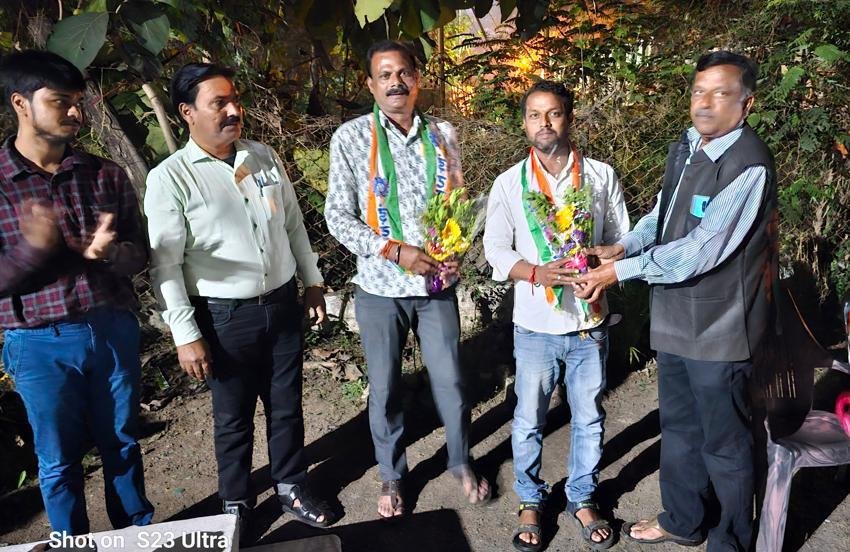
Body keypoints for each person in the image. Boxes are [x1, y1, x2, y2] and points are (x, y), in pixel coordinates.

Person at [570, 51, 776, 551]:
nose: (704, 103)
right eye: (698, 91)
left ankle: (730, 541)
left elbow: (700, 249)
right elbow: (664, 215)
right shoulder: (687, 146)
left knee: (724, 443)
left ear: (746, 103)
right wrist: (623, 247)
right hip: (676, 318)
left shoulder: (748, 164)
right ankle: (684, 520)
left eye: (720, 93)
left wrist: (619, 271)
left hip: (722, 329)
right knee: (679, 428)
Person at [144, 63, 333, 538]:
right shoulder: (171, 178)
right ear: (187, 112)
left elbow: (292, 224)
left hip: (282, 304)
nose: (233, 111)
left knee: (287, 405)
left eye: (235, 100)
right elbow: (165, 266)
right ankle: (236, 503)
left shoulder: (262, 157)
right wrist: (185, 335)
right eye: (219, 103)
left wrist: (312, 282)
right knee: (233, 418)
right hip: (224, 317)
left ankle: (291, 485)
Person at [324, 40, 489, 519]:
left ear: (417, 78)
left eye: (403, 73)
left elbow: (457, 201)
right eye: (385, 74)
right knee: (385, 386)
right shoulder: (351, 138)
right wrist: (395, 251)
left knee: (451, 380)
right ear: (370, 84)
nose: (395, 82)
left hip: (436, 287)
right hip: (380, 287)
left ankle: (460, 460)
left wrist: (456, 250)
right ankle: (392, 473)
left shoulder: (443, 133)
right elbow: (337, 216)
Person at [0, 50, 153, 536]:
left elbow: (140, 256)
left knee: (122, 443)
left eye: (78, 102)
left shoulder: (104, 174)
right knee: (58, 459)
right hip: (37, 342)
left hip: (112, 329)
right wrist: (31, 251)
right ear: (21, 103)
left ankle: (136, 537)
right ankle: (71, 543)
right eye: (60, 101)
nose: (75, 112)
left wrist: (111, 254)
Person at [483, 80, 629, 551]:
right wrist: (536, 273)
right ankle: (530, 499)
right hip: (534, 326)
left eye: (553, 113)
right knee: (528, 418)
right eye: (534, 114)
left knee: (589, 417)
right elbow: (495, 248)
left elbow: (622, 239)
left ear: (569, 118)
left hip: (589, 323)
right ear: (524, 123)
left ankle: (581, 497)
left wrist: (601, 271)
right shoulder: (510, 183)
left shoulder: (600, 176)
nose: (543, 123)